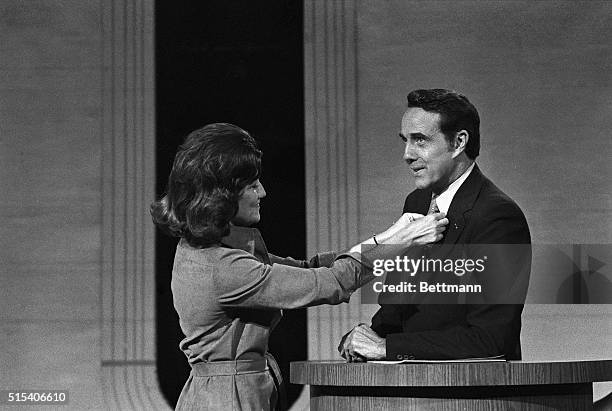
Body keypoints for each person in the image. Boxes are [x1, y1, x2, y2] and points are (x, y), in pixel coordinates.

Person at [150, 123, 448, 410]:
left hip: (234, 393)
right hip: (227, 399)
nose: (263, 192)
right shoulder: (223, 268)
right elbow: (329, 283)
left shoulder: (212, 250)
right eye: (252, 185)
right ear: (222, 195)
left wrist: (389, 236)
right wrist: (399, 242)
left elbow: (309, 269)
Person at [339, 89, 531, 362]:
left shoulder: (498, 217)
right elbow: (399, 304)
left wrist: (385, 347)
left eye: (420, 141)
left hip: (473, 394)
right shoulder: (416, 203)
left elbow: (492, 339)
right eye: (405, 141)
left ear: (459, 142)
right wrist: (366, 335)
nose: (407, 154)